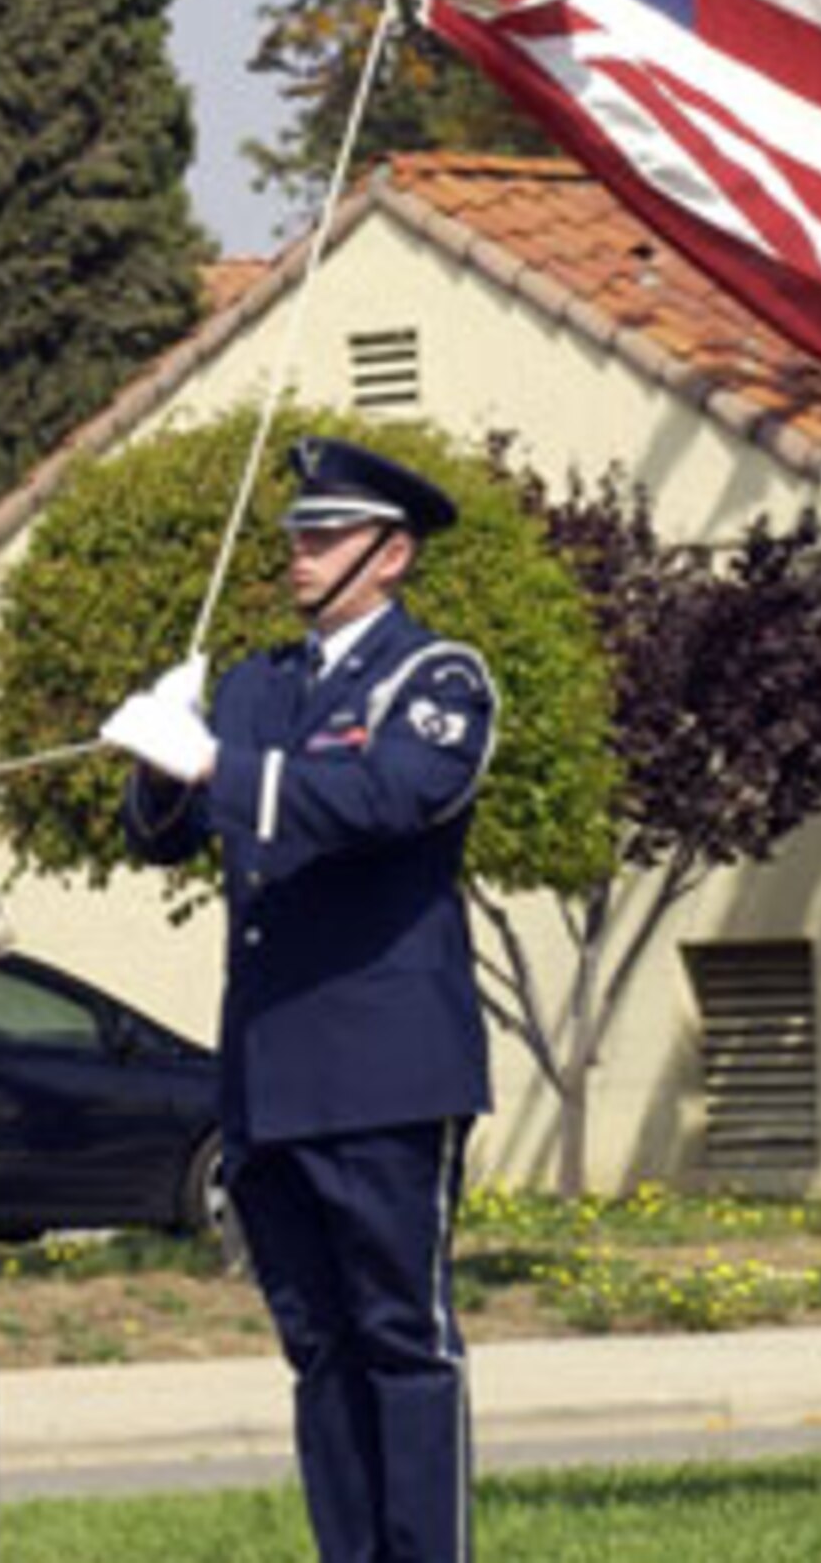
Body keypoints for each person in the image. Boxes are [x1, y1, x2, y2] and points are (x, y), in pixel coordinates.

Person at [103, 433, 498, 1563]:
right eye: (294, 535)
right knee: (318, 1342)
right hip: (271, 1067)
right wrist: (153, 752)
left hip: (385, 1066)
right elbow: (159, 844)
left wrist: (214, 767)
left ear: (392, 554)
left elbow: (382, 800)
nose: (300, 554)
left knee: (400, 1337)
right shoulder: (259, 684)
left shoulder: (436, 678)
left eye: (324, 536)